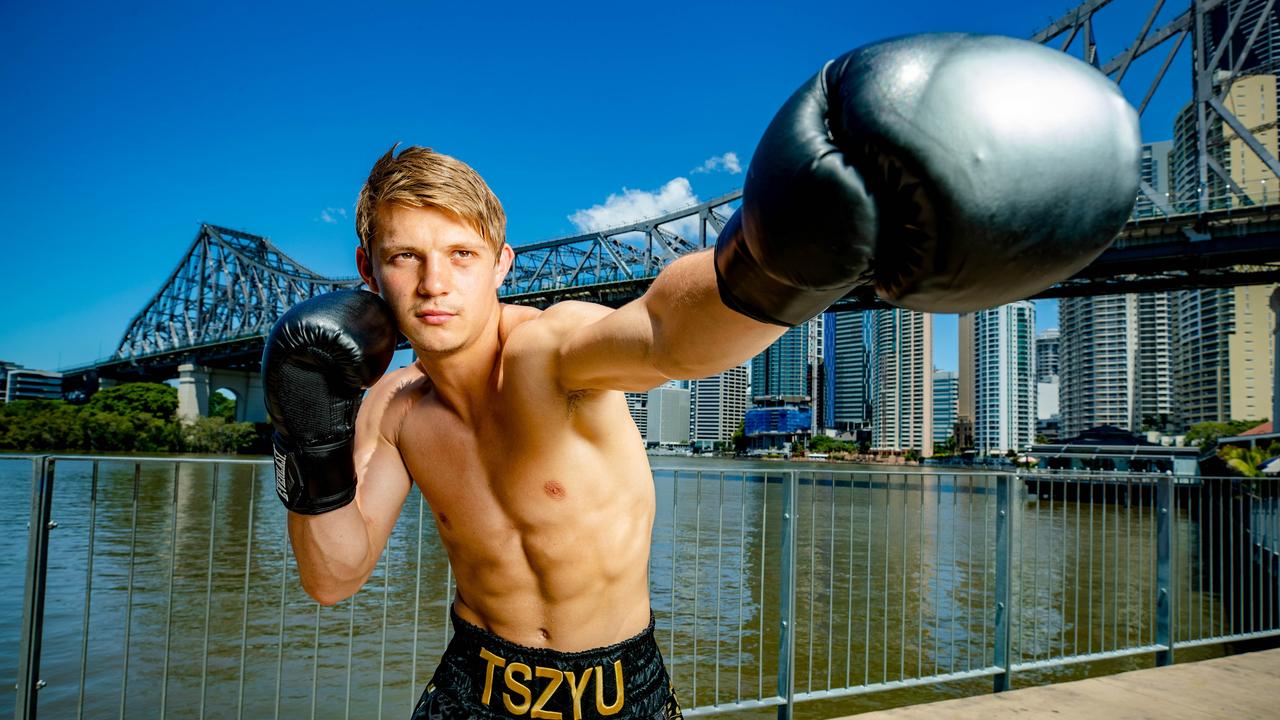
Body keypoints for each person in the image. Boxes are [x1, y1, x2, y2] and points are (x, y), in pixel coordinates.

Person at [262, 34, 1141, 719]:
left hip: (618, 694)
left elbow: (662, 331)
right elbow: (333, 574)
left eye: (460, 254)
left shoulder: (550, 351)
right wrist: (305, 427)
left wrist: (768, 264)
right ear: (367, 271)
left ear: (503, 265)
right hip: (473, 688)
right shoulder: (389, 406)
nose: (432, 281)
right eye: (403, 257)